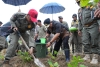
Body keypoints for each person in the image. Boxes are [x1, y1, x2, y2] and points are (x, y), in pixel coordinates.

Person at [76, 0, 100, 64]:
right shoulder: (79, 10)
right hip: (85, 27)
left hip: (93, 25)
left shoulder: (91, 6)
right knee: (85, 41)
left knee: (94, 41)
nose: (79, 3)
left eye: (79, 2)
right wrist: (79, 29)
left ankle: (95, 57)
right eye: (77, 2)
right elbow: (80, 20)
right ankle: (87, 56)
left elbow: (98, 16)